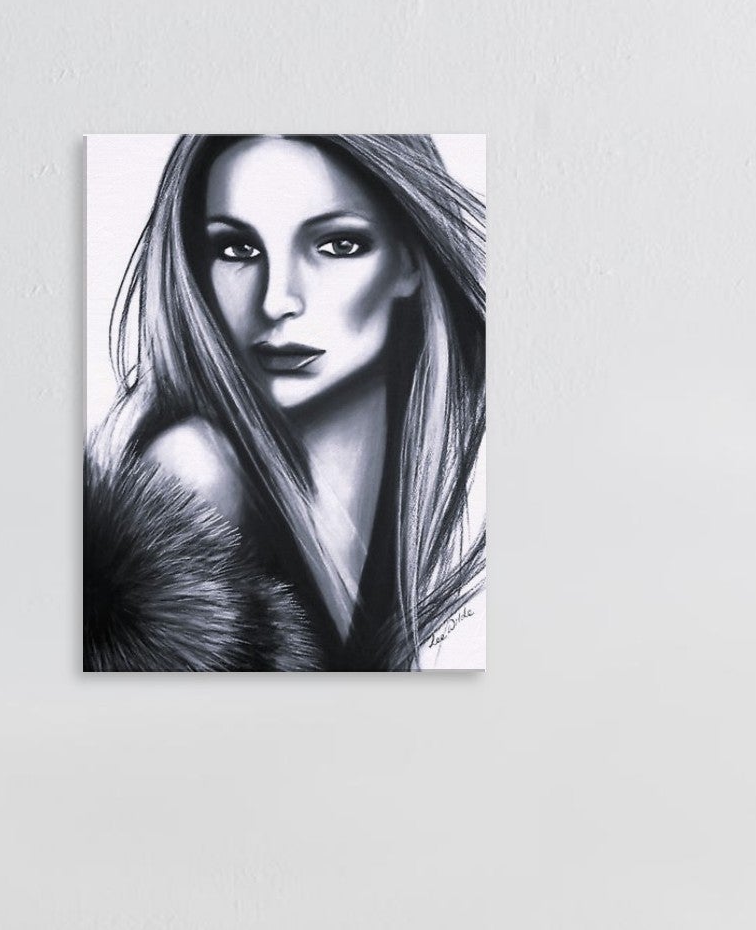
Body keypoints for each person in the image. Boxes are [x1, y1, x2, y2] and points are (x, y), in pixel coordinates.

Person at [85, 135, 486, 672]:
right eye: (237, 250)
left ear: (411, 261)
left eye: (337, 245)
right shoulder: (193, 472)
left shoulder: (396, 513)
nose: (277, 301)